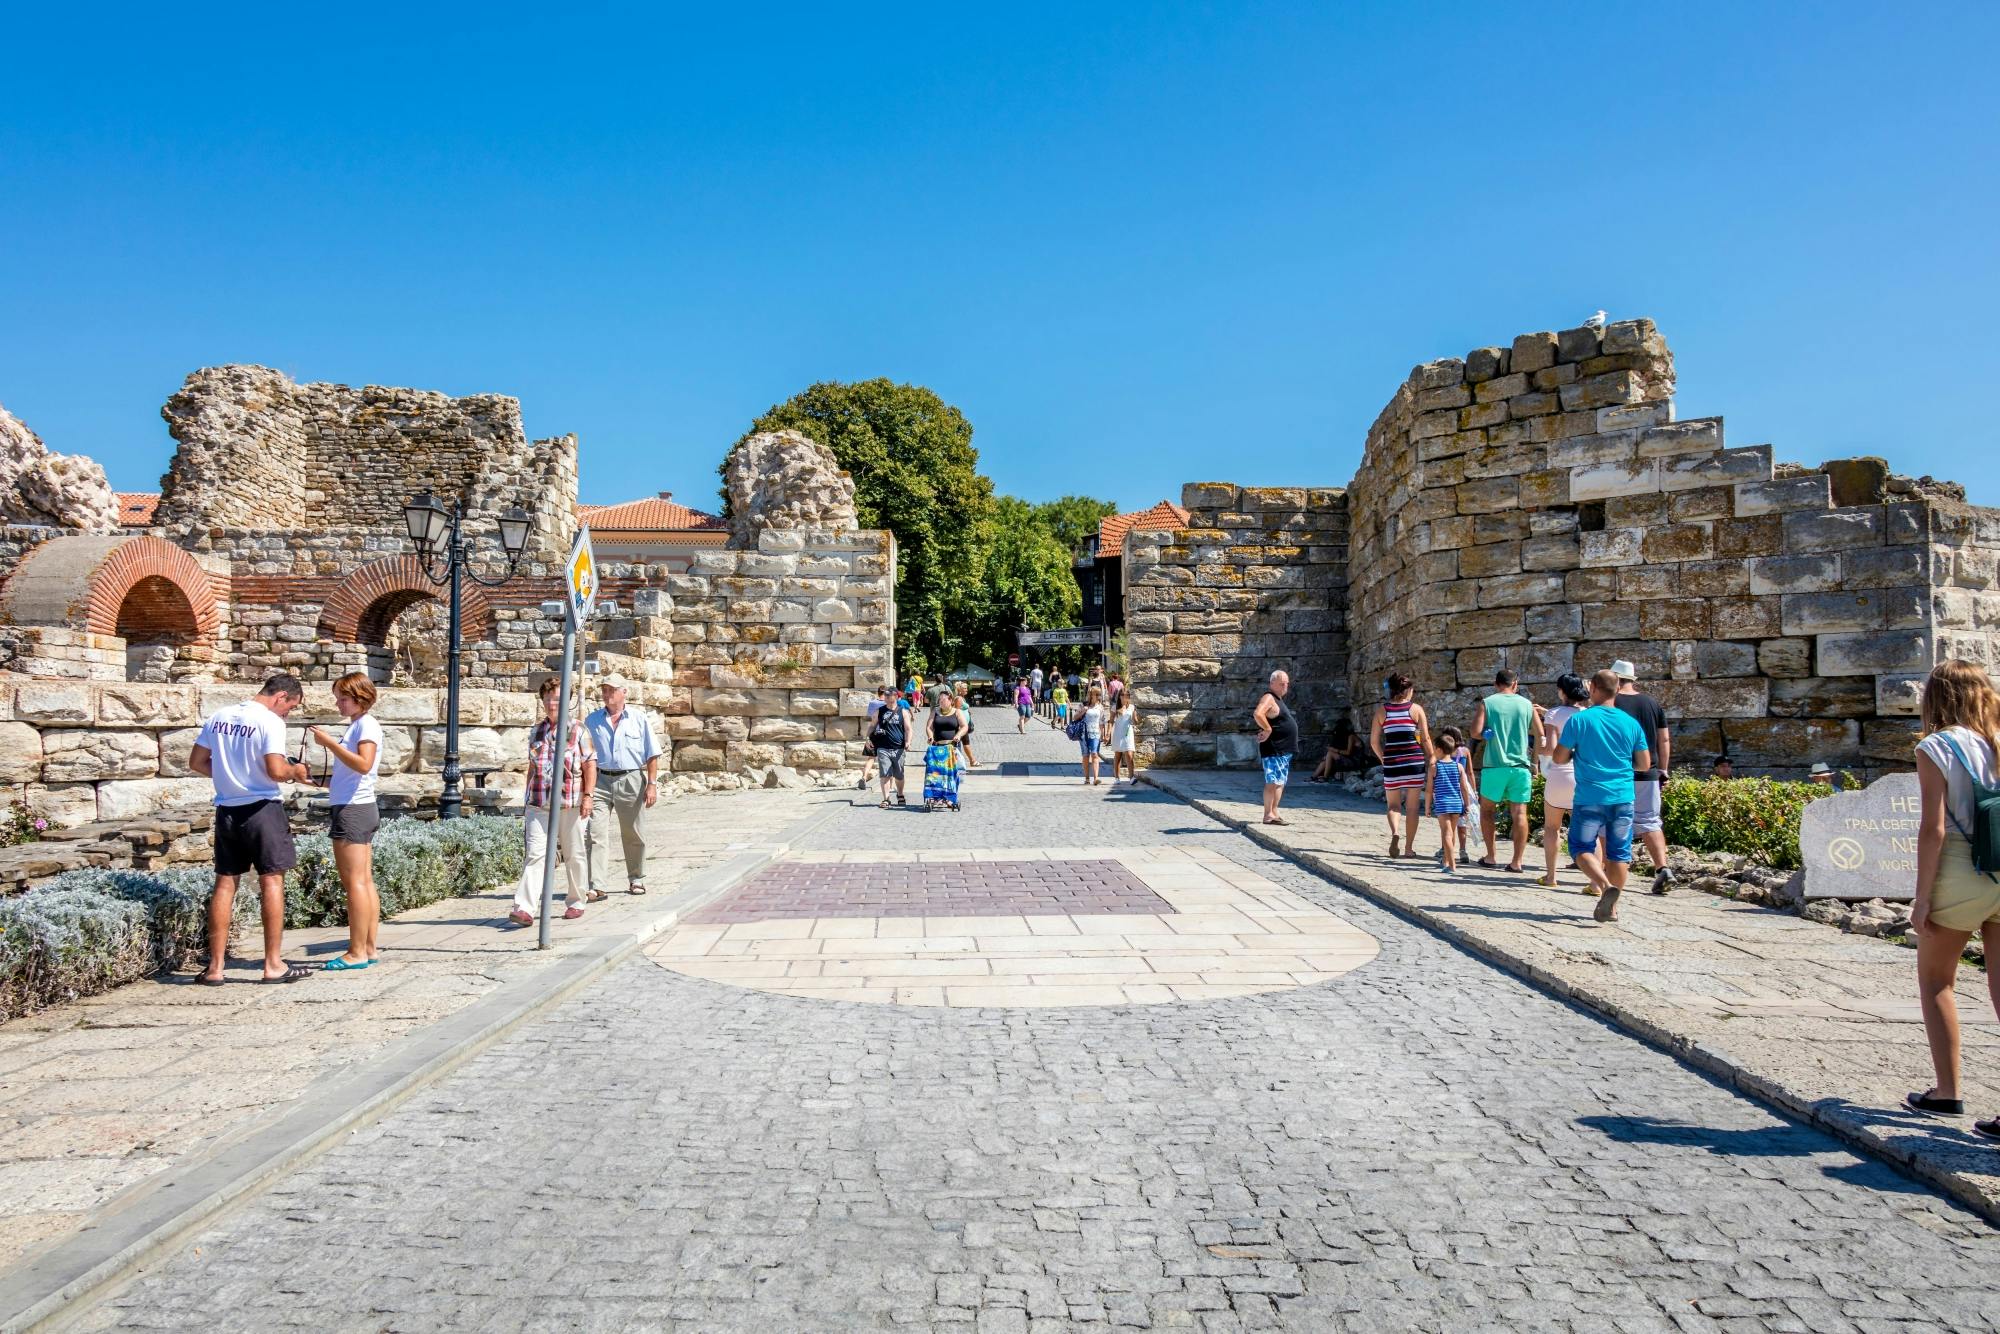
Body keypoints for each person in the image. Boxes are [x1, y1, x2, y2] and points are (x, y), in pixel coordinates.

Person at [1904, 659, 2000, 1138]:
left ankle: (1948, 1091)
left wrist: (1921, 897)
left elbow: (1933, 829)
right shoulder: (1999, 740)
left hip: (1961, 871)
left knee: (1938, 980)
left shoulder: (1936, 745)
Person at [193, 674, 312, 985]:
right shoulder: (269, 721)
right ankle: (273, 964)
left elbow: (197, 761)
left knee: (225, 883)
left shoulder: (219, 716)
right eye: (289, 708)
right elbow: (275, 770)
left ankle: (215, 968)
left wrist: (229, 777)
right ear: (280, 697)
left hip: (227, 808)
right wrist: (295, 772)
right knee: (271, 881)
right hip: (262, 809)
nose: (286, 714)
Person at [1554, 670, 1652, 923]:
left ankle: (1603, 883)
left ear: (1593, 688)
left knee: (1580, 847)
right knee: (1619, 853)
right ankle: (1612, 908)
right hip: (1622, 797)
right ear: (1618, 689)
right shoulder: (1631, 723)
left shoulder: (1581, 720)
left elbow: (1558, 757)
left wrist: (1577, 754)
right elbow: (1643, 764)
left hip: (1590, 796)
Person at [308, 672, 383, 971]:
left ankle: (356, 952)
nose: (338, 704)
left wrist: (328, 743)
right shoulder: (359, 725)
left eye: (343, 698)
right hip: (355, 805)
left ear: (359, 698)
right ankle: (368, 947)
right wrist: (316, 781)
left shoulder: (365, 726)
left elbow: (363, 765)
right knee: (363, 881)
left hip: (353, 810)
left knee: (354, 884)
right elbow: (349, 775)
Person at [511, 678, 597, 927]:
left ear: (567, 702)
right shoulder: (536, 731)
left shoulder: (578, 730)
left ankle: (576, 901)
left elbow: (590, 764)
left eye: (557, 698)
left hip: (571, 801)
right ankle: (525, 908)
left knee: (574, 853)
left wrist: (588, 797)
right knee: (535, 854)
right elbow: (532, 766)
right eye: (548, 698)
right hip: (539, 802)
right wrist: (526, 798)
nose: (551, 703)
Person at [583, 674, 660, 897]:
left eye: (611, 690)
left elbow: (652, 754)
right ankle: (597, 885)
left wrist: (652, 784)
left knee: (633, 833)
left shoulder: (638, 719)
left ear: (624, 692)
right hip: (600, 780)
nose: (606, 694)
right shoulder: (592, 720)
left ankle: (636, 878)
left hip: (631, 779)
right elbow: (585, 755)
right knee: (595, 833)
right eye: (604, 690)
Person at [1611, 659, 1676, 895]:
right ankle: (1662, 868)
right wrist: (1663, 770)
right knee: (1649, 821)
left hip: (1617, 771)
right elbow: (1664, 739)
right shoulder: (1651, 703)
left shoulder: (1612, 702)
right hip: (1648, 771)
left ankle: (1613, 873)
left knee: (1612, 822)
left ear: (1614, 679)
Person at [1471, 669, 1542, 874]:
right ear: (1515, 684)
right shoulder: (1527, 705)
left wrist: (1486, 733)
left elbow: (1475, 732)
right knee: (1519, 813)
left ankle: (1491, 856)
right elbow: (1540, 733)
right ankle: (1517, 861)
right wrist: (1534, 762)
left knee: (1487, 811)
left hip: (1495, 765)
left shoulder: (1488, 702)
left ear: (1496, 684)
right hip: (1520, 767)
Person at [1536, 673, 1590, 892]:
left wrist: (1539, 744)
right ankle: (1594, 881)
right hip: (1582, 774)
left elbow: (1550, 748)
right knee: (1589, 830)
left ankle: (1551, 876)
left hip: (1560, 773)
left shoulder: (1554, 714)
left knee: (1552, 828)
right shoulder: (1588, 714)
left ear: (1561, 691)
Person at [1371, 674, 1432, 858]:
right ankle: (1408, 848)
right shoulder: (1416, 710)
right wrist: (1432, 757)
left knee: (1393, 805)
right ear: (1408, 691)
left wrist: (1383, 758)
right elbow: (1423, 737)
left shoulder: (1382, 711)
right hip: (1414, 762)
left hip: (1392, 763)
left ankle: (1395, 832)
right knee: (1412, 808)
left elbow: (1374, 742)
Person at [1252, 670, 1298, 826]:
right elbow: (1258, 714)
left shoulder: (1278, 699)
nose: (1285, 686)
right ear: (1272, 684)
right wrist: (1267, 729)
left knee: (1280, 782)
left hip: (1283, 749)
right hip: (1274, 748)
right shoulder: (1269, 697)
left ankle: (1274, 812)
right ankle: (1268, 815)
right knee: (1272, 782)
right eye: (1281, 684)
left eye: (1287, 683)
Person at [868, 686, 913, 807]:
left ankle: (900, 794)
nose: (886, 697)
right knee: (885, 773)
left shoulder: (903, 711)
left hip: (898, 747)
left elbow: (908, 729)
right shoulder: (879, 711)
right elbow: (872, 725)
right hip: (883, 747)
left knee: (899, 774)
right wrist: (868, 738)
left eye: (889, 695)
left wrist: (908, 742)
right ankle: (886, 798)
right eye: (886, 695)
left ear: (896, 696)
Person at [1428, 730, 1466, 872]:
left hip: (1443, 804)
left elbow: (1429, 790)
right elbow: (1464, 788)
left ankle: (1452, 865)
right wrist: (1466, 804)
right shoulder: (1459, 766)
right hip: (1457, 804)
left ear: (1438, 749)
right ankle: (1446, 861)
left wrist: (1427, 807)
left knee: (1446, 834)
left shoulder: (1434, 767)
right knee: (1452, 833)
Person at [923, 693, 964, 811]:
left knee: (951, 774)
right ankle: (935, 797)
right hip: (937, 748)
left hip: (952, 747)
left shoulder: (957, 712)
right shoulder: (935, 711)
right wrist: (930, 737)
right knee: (935, 773)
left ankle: (950, 798)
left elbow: (964, 726)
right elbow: (929, 727)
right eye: (939, 700)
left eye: (942, 700)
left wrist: (958, 735)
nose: (940, 702)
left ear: (950, 700)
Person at [1079, 685, 1107, 785]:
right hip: (1084, 733)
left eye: (1098, 694)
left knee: (1095, 754)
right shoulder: (1083, 705)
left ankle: (1096, 778)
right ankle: (1087, 778)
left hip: (1096, 733)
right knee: (1086, 755)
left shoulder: (1100, 707)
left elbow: (1102, 722)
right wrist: (1083, 711)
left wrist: (1103, 735)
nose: (1098, 696)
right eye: (1096, 694)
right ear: (1091, 695)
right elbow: (1075, 718)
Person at [1109, 689, 1138, 781]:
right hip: (1118, 733)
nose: (1124, 697)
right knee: (1118, 755)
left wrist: (1135, 719)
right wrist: (1107, 733)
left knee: (1129, 755)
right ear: (1119, 696)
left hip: (1128, 733)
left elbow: (1135, 721)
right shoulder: (1115, 707)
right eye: (1122, 695)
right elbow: (1111, 721)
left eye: (1126, 695)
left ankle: (1131, 777)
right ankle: (1117, 777)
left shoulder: (1132, 707)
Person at [954, 683, 978, 767]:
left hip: (964, 725)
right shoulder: (958, 699)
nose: (966, 690)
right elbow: (957, 711)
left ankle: (968, 760)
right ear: (960, 690)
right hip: (961, 725)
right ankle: (972, 760)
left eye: (966, 688)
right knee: (965, 743)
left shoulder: (962, 698)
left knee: (964, 743)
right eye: (964, 688)